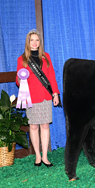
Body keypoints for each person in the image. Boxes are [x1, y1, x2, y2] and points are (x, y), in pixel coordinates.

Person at [16, 29, 60, 167]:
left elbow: (51, 76)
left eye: (37, 40)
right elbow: (18, 81)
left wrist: (55, 93)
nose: (34, 43)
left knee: (45, 126)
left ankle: (45, 156)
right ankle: (37, 156)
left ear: (40, 42)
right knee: (33, 126)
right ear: (28, 43)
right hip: (31, 97)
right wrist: (20, 78)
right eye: (32, 40)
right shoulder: (22, 59)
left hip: (46, 96)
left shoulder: (46, 56)